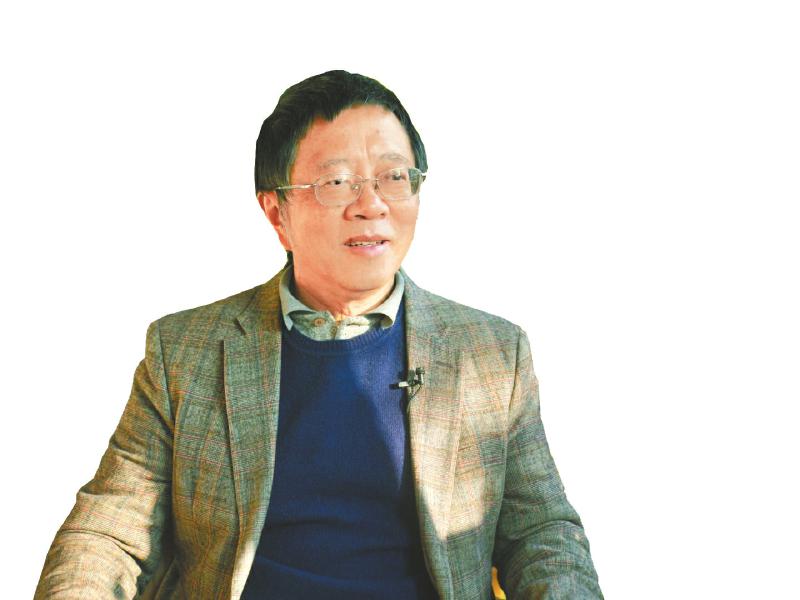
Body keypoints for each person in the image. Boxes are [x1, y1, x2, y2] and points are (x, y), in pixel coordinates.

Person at [35, 70, 603, 599]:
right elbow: (108, 532)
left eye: (394, 177)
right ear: (276, 212)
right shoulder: (186, 351)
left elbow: (541, 534)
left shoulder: (491, 353)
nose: (372, 205)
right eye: (337, 182)